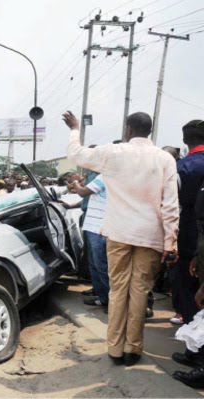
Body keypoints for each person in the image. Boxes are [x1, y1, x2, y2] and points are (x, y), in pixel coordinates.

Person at [63, 111, 179, 367]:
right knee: (139, 291)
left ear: (127, 130)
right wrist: (171, 242)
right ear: (149, 130)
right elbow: (171, 204)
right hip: (151, 235)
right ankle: (133, 349)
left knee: (117, 291)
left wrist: (74, 128)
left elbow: (76, 154)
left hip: (118, 233)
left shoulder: (113, 153)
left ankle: (115, 349)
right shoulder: (164, 159)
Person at [170, 120, 204, 327]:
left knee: (189, 287)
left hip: (190, 236)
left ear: (184, 140)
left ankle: (194, 346)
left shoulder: (181, 168)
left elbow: (169, 204)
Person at [70, 175, 109, 308]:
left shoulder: (105, 176)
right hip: (93, 226)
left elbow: (82, 192)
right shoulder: (102, 176)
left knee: (101, 265)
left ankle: (109, 301)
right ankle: (102, 297)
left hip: (99, 227)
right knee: (94, 264)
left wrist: (75, 182)